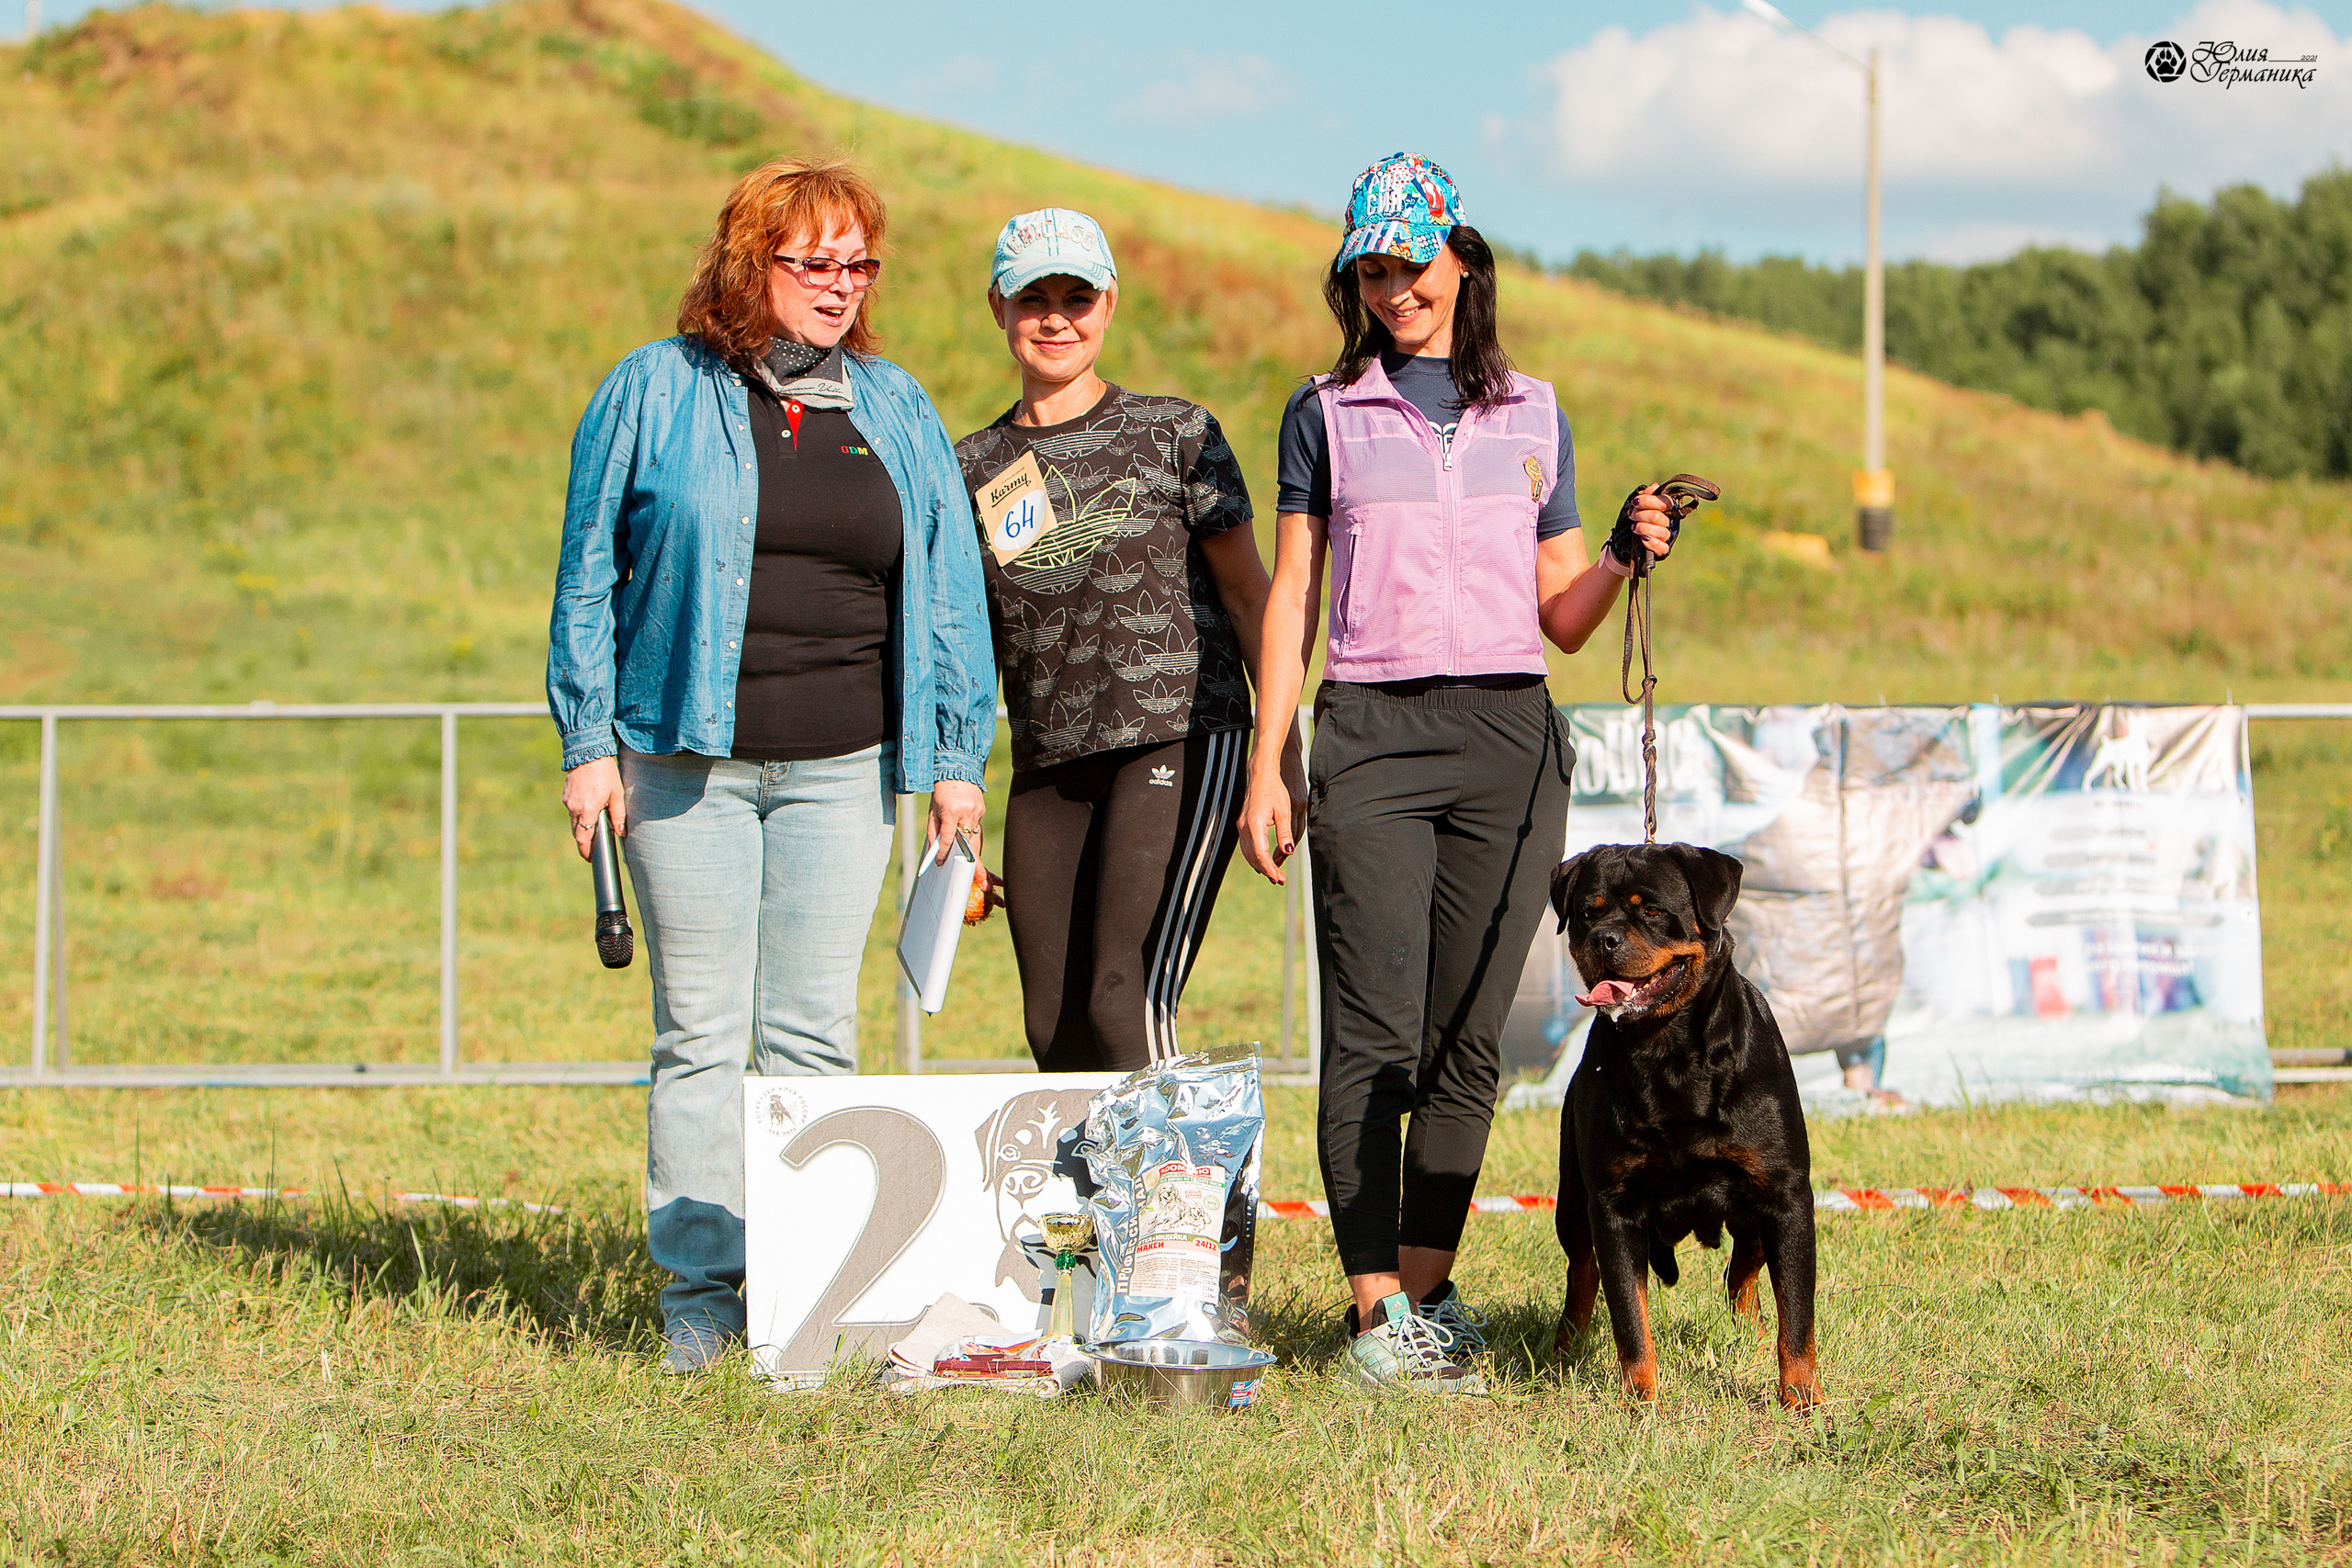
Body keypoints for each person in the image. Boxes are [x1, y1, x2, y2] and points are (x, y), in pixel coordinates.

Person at [1236, 153, 1681, 1394]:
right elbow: (1293, 599)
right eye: (1371, 268)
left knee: (1467, 1039)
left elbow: (1565, 618)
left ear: (1462, 259)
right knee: (1374, 1036)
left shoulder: (1535, 411)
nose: (1394, 288)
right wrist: (1273, 756)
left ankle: (1425, 1293)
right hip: (1371, 733)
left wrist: (1619, 552)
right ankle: (1376, 1317)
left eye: (1412, 263)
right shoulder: (1323, 411)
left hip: (1508, 739)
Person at [547, 156, 995, 1374]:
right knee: (701, 1027)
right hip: (681, 760)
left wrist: (957, 760)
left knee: (812, 1030)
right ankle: (700, 1289)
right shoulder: (654, 388)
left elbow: (948, 592)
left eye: (860, 263)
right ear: (753, 266)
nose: (840, 285)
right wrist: (588, 742)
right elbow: (589, 570)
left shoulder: (895, 406)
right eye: (814, 261)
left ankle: (808, 1294)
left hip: (845, 766)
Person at [954, 209, 1304, 1070]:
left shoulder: (1176, 432)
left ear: (1108, 305)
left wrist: (1280, 755)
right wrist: (954, 818)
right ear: (997, 307)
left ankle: (1173, 1206)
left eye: (1077, 295)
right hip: (1048, 765)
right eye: (1033, 297)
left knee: (1125, 996)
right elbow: (961, 650)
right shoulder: (968, 467)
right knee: (1056, 1025)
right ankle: (1104, 1211)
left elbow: (1252, 594)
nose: (1055, 317)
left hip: (1182, 740)